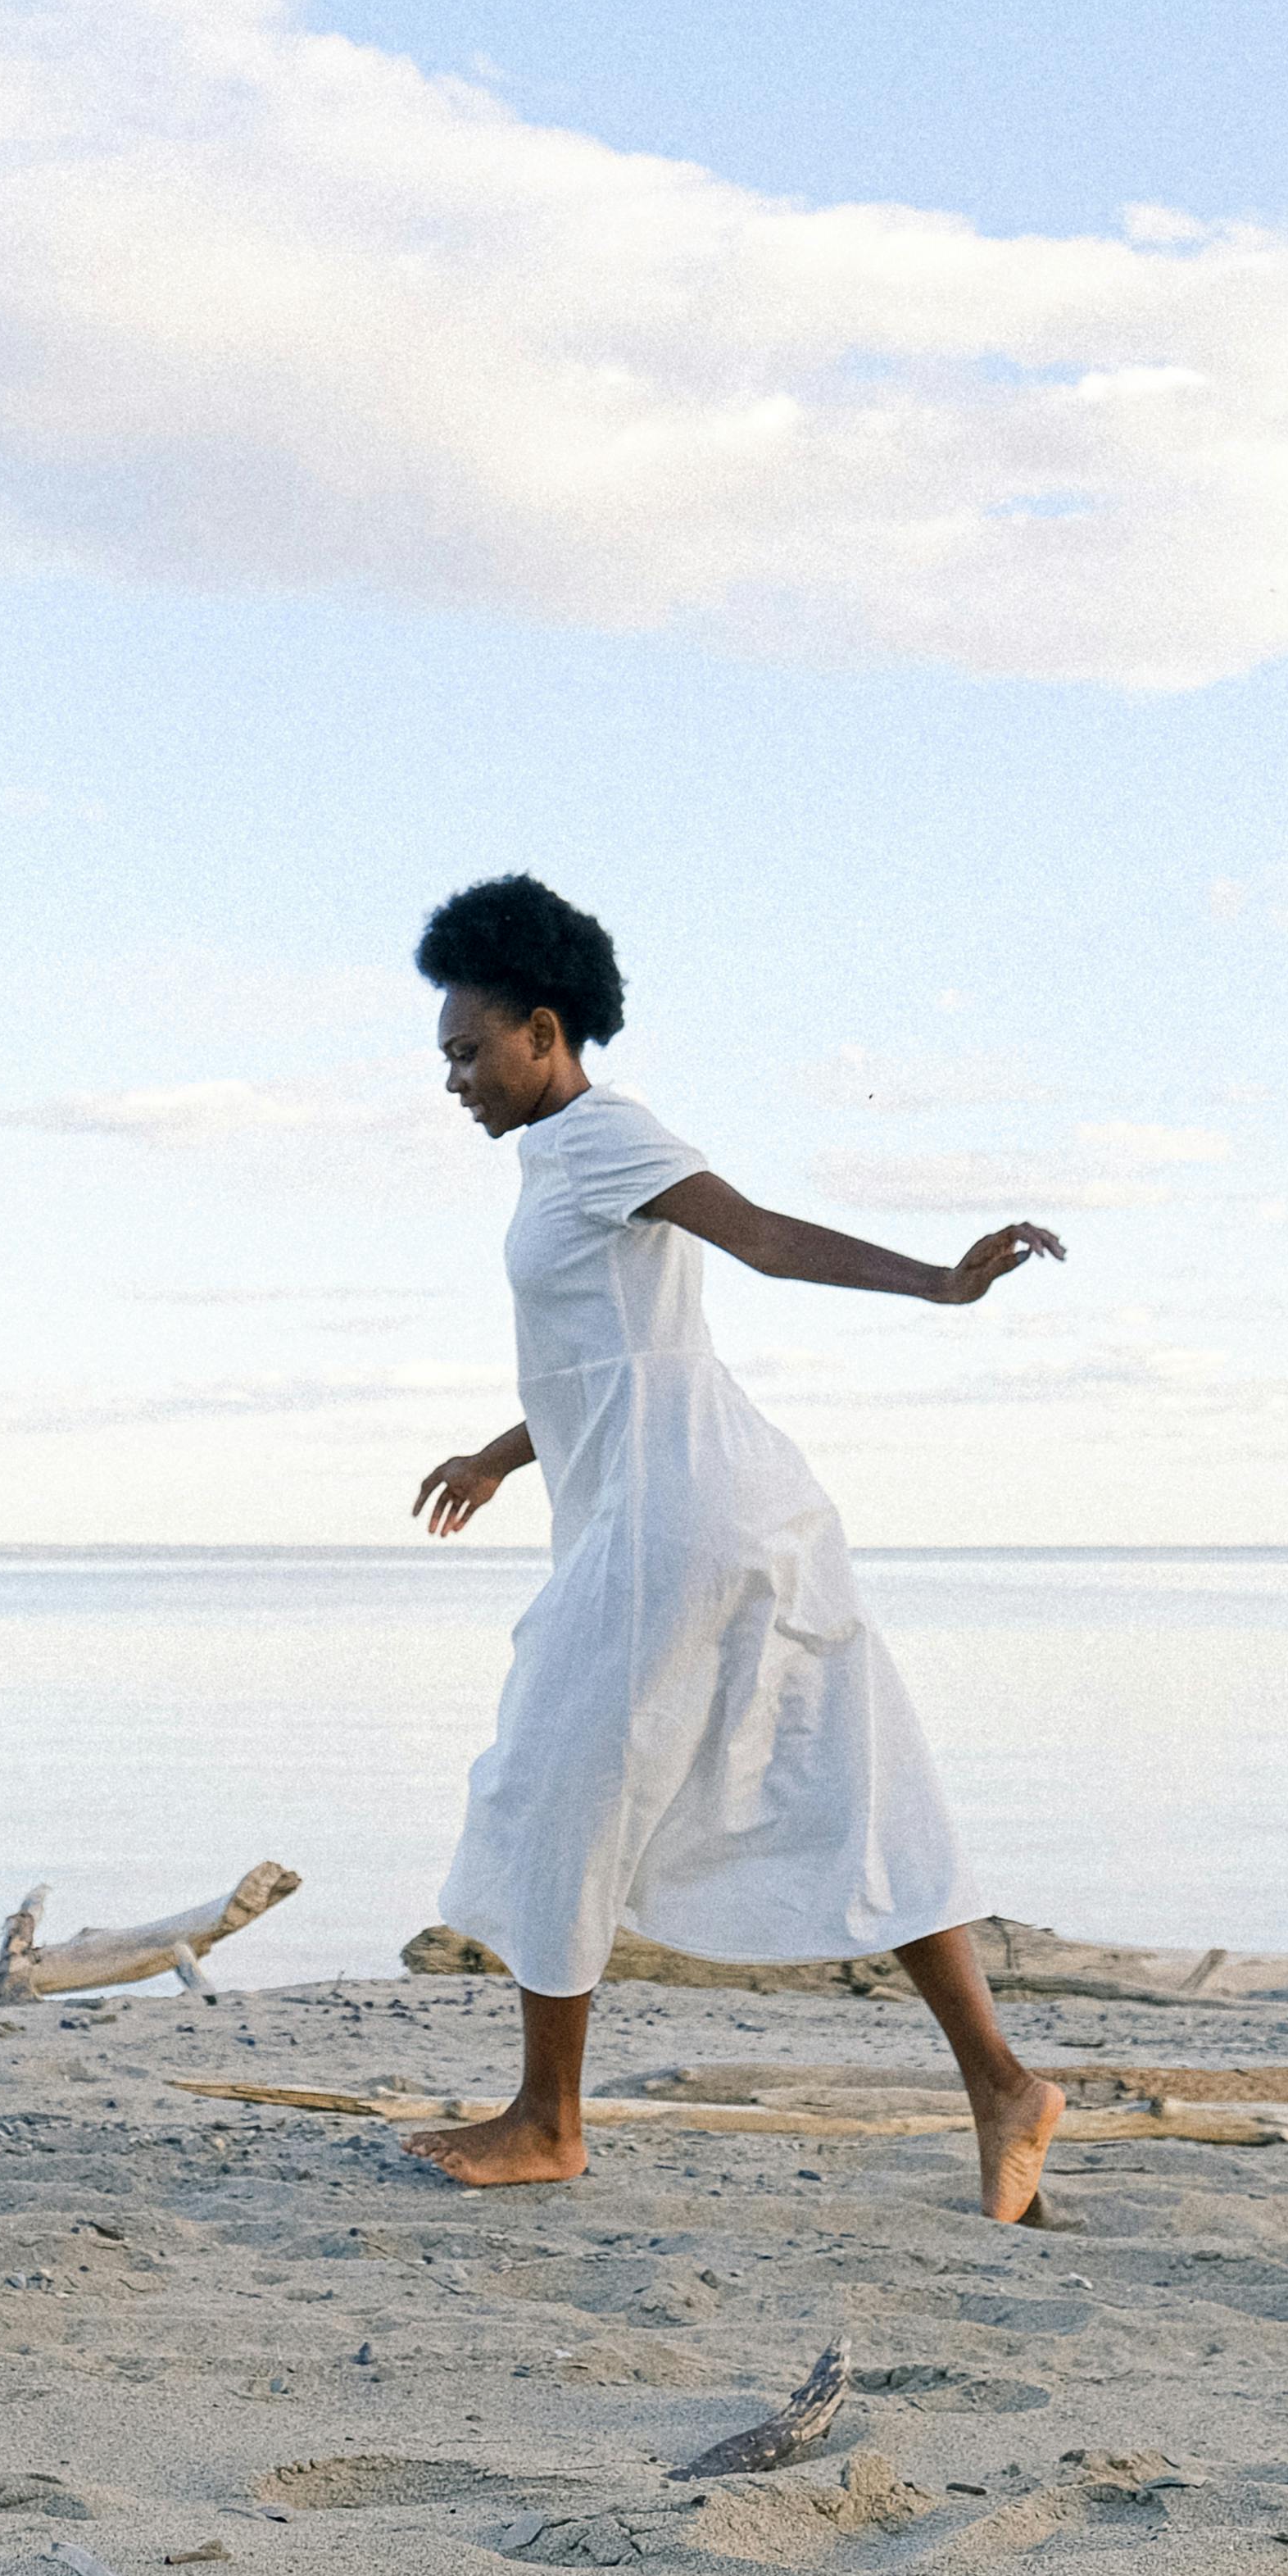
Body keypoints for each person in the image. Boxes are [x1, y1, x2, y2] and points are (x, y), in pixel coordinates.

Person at [400, 873, 1072, 2221]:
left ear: (545, 1028)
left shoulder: (604, 1136)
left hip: (680, 1518)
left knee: (556, 1783)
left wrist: (940, 1283)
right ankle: (1003, 2087)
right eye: (445, 1058)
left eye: (470, 1051)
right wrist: (499, 1452)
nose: (456, 1078)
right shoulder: (557, 1164)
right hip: (703, 1502)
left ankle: (547, 2121)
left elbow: (759, 1238)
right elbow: (609, 1361)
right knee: (841, 1786)